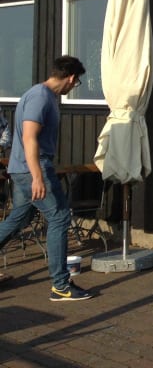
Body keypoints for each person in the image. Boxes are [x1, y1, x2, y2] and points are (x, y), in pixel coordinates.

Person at [0, 55, 93, 300]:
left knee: (21, 216)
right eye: (76, 82)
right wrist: (37, 177)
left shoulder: (38, 94)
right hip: (31, 168)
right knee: (60, 216)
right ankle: (61, 285)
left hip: (23, 167)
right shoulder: (41, 97)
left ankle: (60, 283)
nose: (74, 87)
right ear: (71, 78)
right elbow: (30, 138)